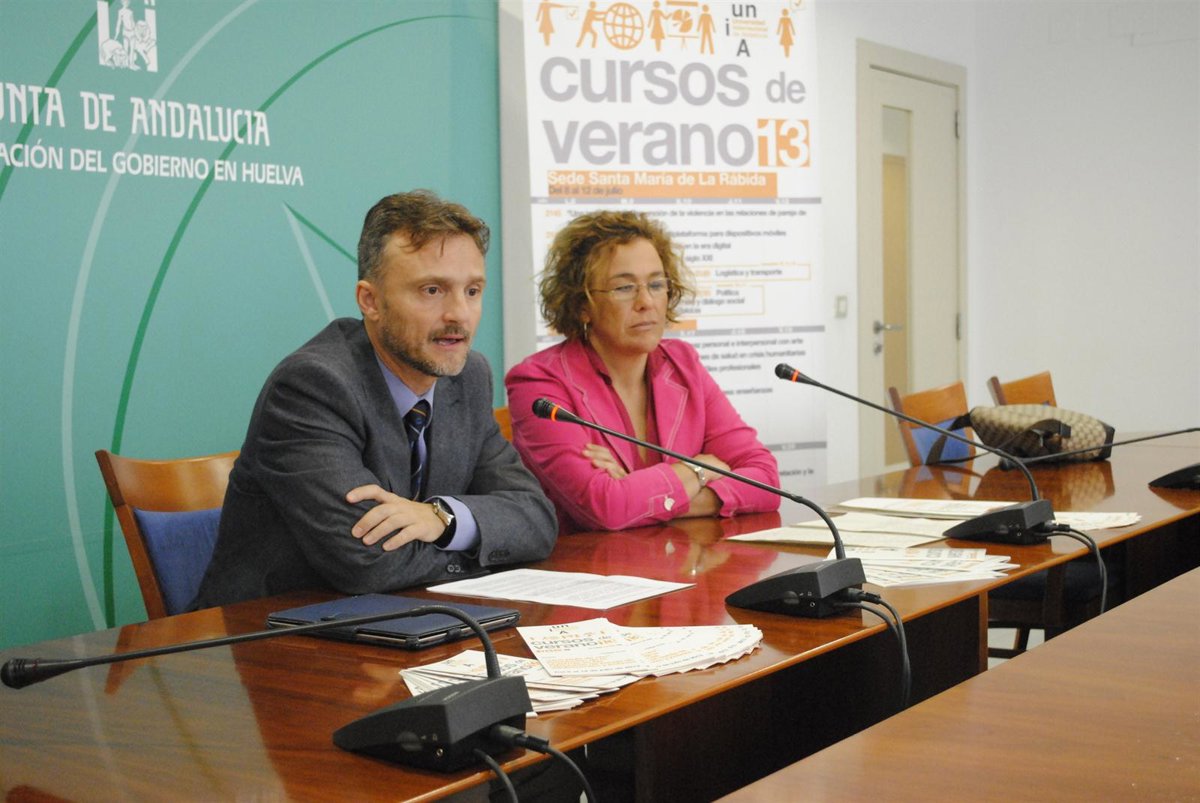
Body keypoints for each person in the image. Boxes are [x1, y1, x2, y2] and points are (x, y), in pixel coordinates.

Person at [192, 191, 557, 608]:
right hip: (274, 630)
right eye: (432, 290)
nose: (459, 314)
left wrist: (442, 517)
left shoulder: (468, 378)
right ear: (370, 301)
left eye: (472, 291)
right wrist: (485, 549)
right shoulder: (312, 387)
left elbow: (536, 519)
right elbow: (368, 563)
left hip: (410, 618)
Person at [504, 210, 780, 533]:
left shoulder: (682, 365)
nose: (646, 302)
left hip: (678, 556)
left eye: (656, 284)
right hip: (587, 562)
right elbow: (606, 507)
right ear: (582, 304)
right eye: (624, 288)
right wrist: (700, 470)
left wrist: (643, 494)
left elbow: (766, 480)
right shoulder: (539, 384)